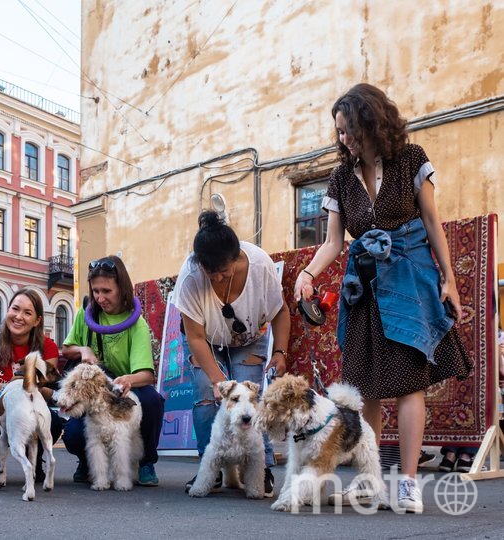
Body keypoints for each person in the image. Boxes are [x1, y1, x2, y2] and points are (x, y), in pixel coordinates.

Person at [293, 83, 471, 513]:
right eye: (337, 131)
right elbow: (334, 241)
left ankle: (407, 484)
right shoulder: (339, 177)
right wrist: (307, 273)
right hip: (366, 285)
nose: (342, 138)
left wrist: (449, 279)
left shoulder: (411, 158)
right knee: (365, 385)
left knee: (410, 381)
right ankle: (371, 482)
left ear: (369, 121)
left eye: (346, 129)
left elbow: (431, 220)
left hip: (410, 277)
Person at [173, 212, 290, 497]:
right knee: (203, 395)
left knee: (250, 398)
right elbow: (195, 337)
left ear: (236, 257)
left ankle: (260, 470)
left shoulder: (260, 265)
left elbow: (281, 311)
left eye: (223, 271)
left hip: (249, 339)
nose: (218, 278)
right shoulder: (190, 277)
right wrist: (216, 381)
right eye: (210, 273)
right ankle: (208, 469)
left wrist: (280, 351)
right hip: (206, 341)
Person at [61, 255, 166, 487]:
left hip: (125, 388)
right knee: (75, 434)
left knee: (152, 402)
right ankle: (87, 461)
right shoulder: (86, 314)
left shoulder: (137, 323)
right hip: (95, 390)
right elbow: (66, 349)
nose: (100, 298)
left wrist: (128, 379)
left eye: (107, 291)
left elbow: (147, 375)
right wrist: (83, 349)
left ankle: (146, 461)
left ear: (122, 288)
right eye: (96, 291)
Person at [0, 288, 63, 485]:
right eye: (15, 309)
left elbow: (47, 390)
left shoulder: (47, 346)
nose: (19, 317)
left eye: (27, 313)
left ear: (37, 320)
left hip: (33, 400)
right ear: (8, 310)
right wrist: (19, 386)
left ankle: (36, 460)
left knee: (53, 420)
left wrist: (27, 387)